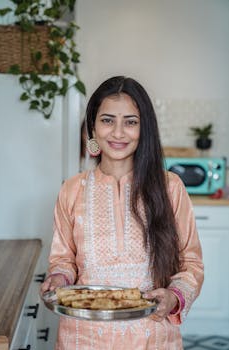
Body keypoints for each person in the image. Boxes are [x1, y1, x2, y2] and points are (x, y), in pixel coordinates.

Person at [41, 76, 204, 350]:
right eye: (107, 120)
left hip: (152, 336)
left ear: (144, 129)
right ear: (92, 126)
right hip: (83, 338)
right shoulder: (71, 190)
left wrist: (174, 297)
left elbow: (191, 263)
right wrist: (59, 277)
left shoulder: (170, 188)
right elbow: (63, 259)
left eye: (131, 122)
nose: (118, 133)